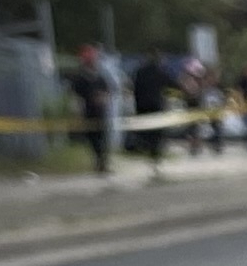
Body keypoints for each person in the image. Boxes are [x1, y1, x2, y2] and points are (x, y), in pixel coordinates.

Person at [66, 42, 121, 175]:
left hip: (101, 112)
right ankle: (99, 162)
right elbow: (74, 96)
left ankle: (103, 163)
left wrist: (103, 97)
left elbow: (109, 90)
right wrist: (76, 111)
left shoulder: (99, 77)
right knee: (93, 139)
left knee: (103, 138)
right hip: (88, 112)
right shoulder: (79, 78)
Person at [127, 46, 176, 170]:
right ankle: (155, 156)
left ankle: (150, 152)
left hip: (142, 107)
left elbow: (134, 89)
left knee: (147, 133)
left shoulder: (139, 72)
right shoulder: (160, 72)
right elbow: (172, 84)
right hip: (156, 106)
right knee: (157, 133)